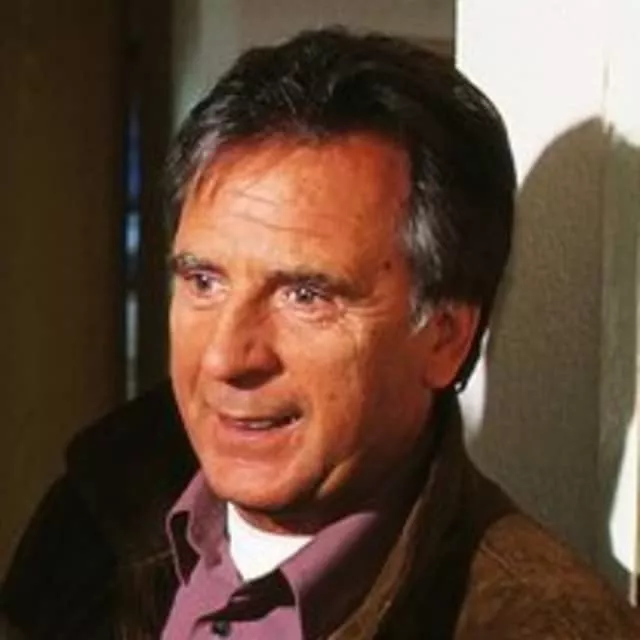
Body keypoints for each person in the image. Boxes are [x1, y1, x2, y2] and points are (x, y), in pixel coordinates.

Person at [2, 27, 639, 639]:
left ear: (445, 338)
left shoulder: (544, 624)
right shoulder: (98, 510)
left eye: (305, 295)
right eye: (203, 281)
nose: (226, 357)